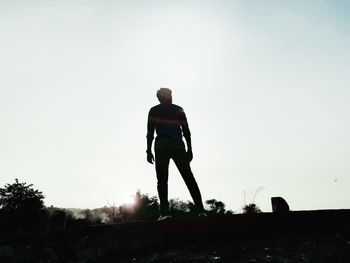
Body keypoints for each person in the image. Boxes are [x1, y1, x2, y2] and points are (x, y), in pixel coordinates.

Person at [146, 88, 205, 220]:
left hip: (161, 146)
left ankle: (165, 212)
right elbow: (186, 131)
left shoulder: (154, 110)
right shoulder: (178, 109)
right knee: (188, 178)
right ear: (165, 96)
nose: (171, 96)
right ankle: (200, 210)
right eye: (170, 94)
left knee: (162, 180)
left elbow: (150, 132)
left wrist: (148, 150)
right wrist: (190, 149)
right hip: (177, 146)